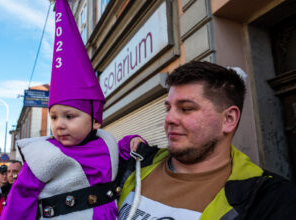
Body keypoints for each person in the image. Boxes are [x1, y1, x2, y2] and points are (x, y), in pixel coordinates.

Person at [117, 61, 296, 219]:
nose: (169, 119)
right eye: (168, 109)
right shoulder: (134, 165)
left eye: (186, 108)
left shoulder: (270, 199)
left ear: (229, 119)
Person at [0, 0, 127, 219]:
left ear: (96, 121)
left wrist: (133, 140)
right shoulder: (43, 156)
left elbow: (123, 150)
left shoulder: (106, 143)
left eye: (70, 116)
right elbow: (19, 201)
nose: (59, 124)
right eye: (54, 116)